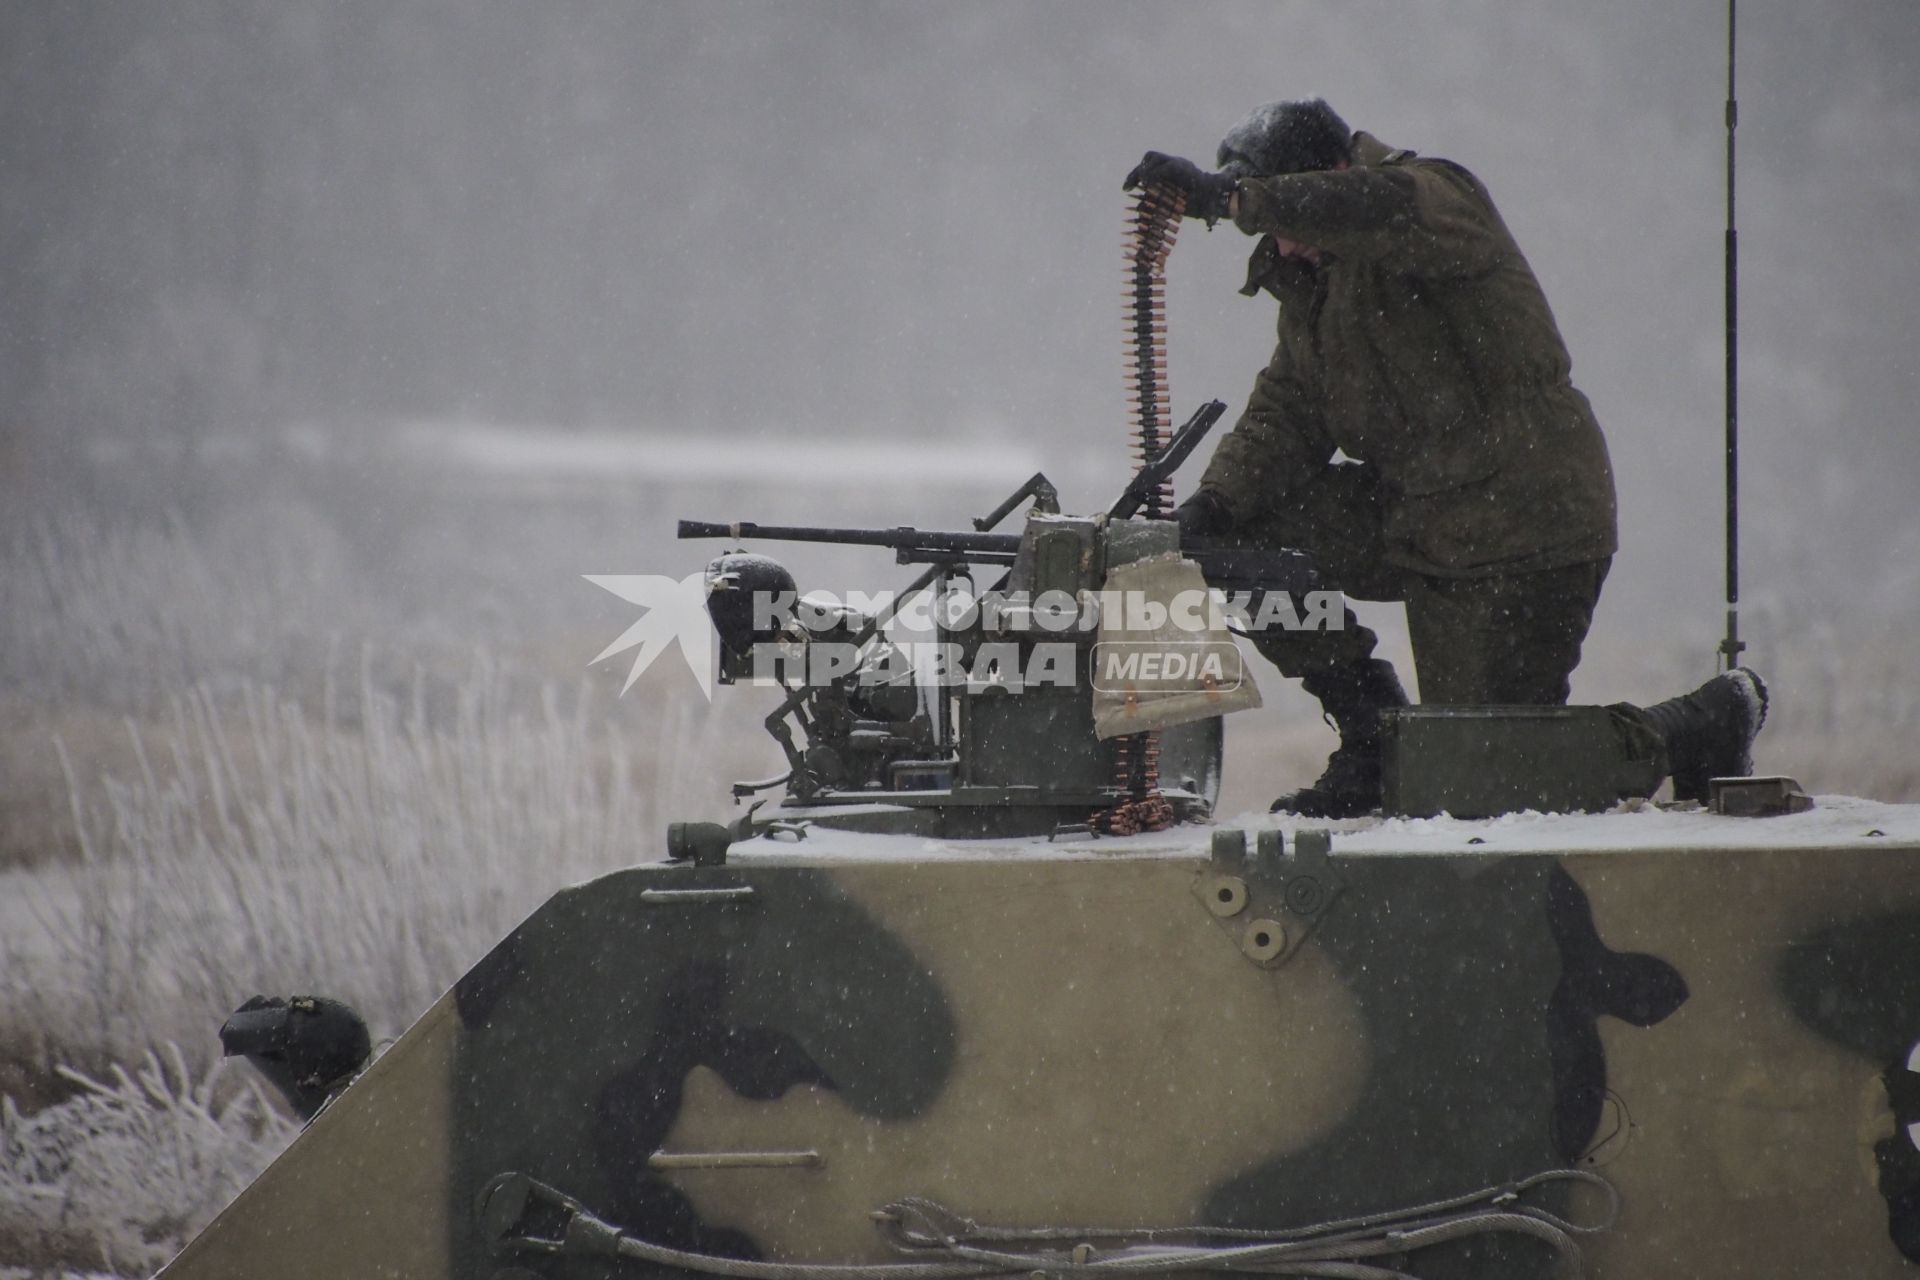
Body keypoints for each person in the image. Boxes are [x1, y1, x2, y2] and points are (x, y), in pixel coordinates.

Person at [1125, 99, 1764, 815]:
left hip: (1523, 523)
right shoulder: (1318, 282)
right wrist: (1213, 508)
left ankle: (1699, 726)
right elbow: (1290, 409)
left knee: (1483, 787)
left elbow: (1377, 206)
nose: (1286, 243)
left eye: (1287, 220)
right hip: (1417, 519)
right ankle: (1371, 732)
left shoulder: (1431, 201)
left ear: (1330, 175)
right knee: (1236, 542)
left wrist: (1234, 200)